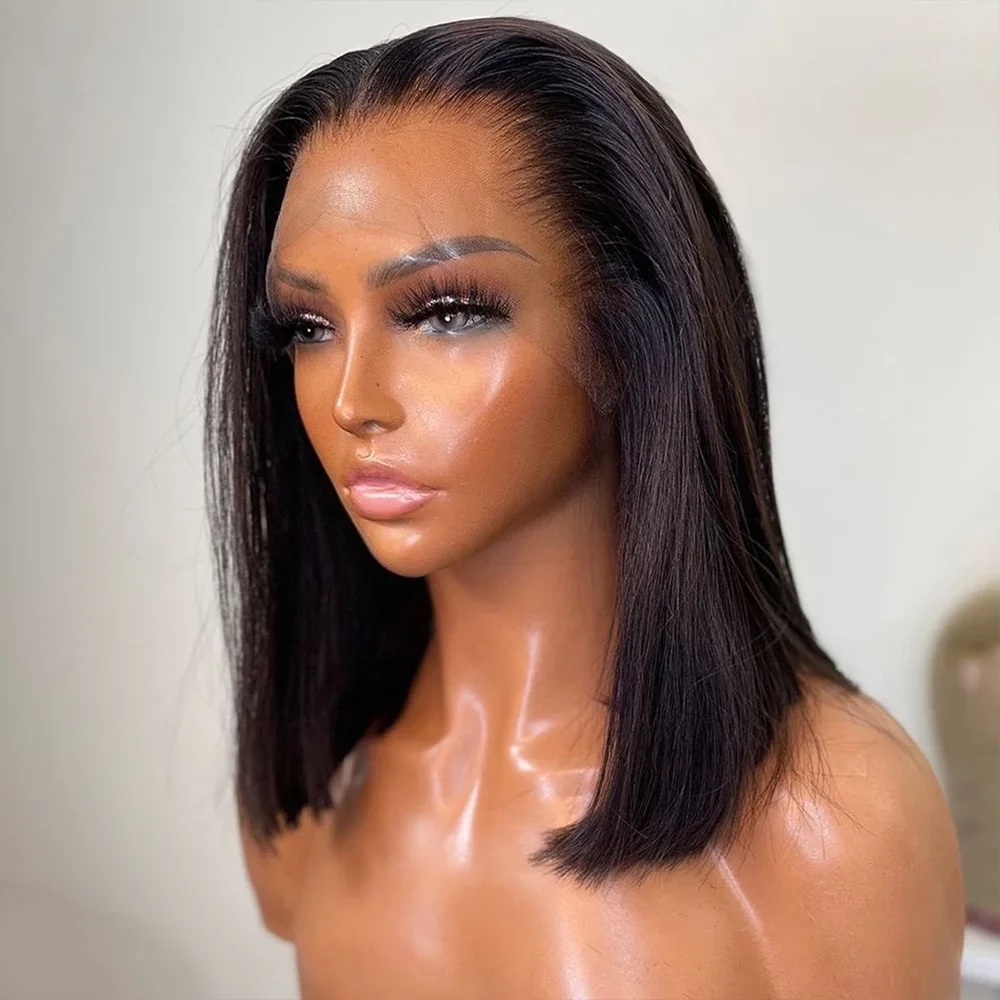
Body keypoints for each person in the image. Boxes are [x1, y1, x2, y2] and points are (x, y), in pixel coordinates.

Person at [204, 16, 965, 998]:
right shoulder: (318, 790)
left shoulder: (831, 823)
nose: (353, 399)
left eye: (446, 312)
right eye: (309, 326)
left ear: (626, 328)